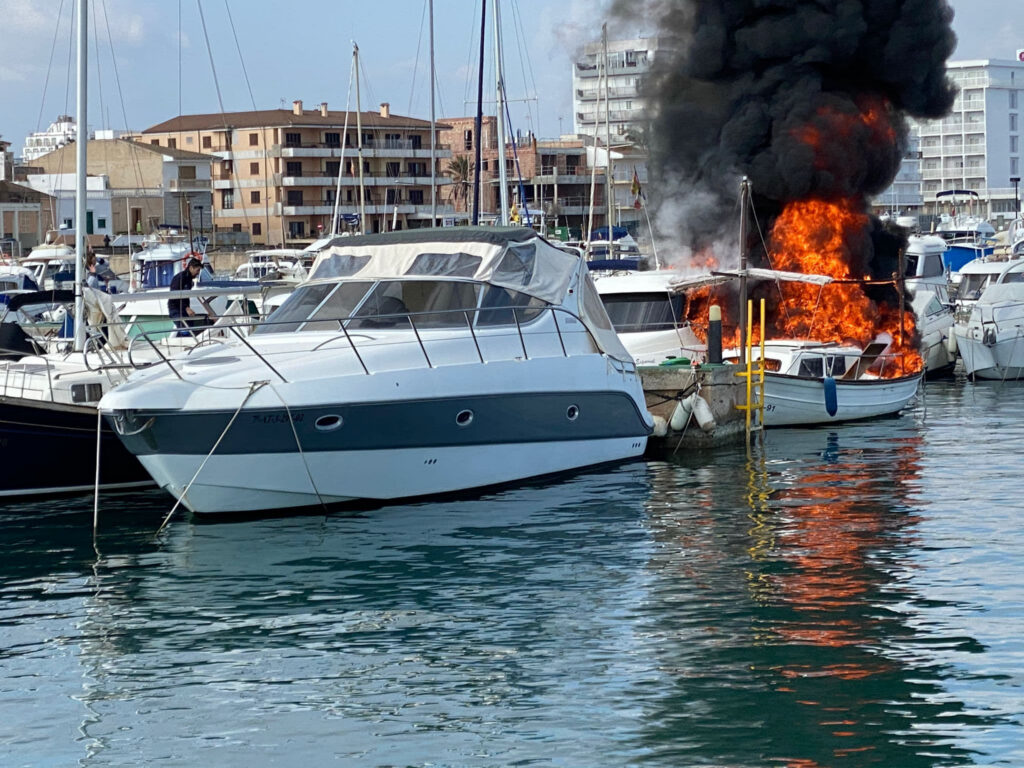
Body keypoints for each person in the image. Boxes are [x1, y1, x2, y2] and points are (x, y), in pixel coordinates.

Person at [168, 257, 203, 336]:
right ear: (191, 268)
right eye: (197, 270)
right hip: (176, 309)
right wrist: (187, 308)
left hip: (184, 309)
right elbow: (175, 295)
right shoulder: (180, 278)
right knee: (185, 330)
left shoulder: (189, 279)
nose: (198, 273)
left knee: (190, 327)